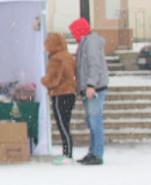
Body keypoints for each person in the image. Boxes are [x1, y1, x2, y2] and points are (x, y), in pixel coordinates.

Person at [69, 18, 108, 165]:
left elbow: (94, 64)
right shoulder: (86, 41)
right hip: (91, 87)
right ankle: (93, 152)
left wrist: (90, 84)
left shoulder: (90, 42)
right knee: (92, 121)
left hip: (94, 88)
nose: (73, 35)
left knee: (95, 121)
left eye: (74, 31)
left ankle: (97, 153)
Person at [41, 32, 77, 165]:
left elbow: (53, 79)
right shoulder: (67, 56)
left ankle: (67, 154)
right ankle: (67, 153)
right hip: (70, 93)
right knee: (65, 124)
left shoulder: (56, 58)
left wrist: (43, 80)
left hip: (60, 94)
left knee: (62, 125)